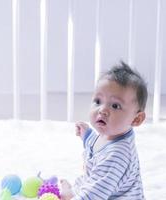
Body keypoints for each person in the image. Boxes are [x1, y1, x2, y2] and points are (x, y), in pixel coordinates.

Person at [60, 61, 147, 200]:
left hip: (103, 194)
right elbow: (98, 145)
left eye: (115, 105)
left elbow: (93, 195)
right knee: (87, 180)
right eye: (98, 101)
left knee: (88, 189)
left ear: (136, 119)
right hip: (97, 185)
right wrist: (87, 135)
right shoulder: (112, 132)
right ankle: (73, 192)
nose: (103, 110)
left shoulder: (117, 156)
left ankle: (72, 194)